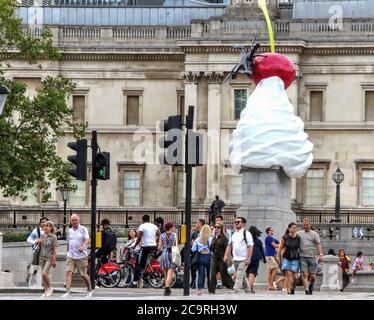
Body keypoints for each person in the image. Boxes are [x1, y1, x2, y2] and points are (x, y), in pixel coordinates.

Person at [61, 214, 93, 298]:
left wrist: (83, 246)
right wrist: (68, 252)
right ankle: (68, 292)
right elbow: (68, 242)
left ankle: (89, 289)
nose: (74, 222)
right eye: (73, 220)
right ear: (70, 222)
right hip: (71, 255)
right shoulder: (69, 231)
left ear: (79, 221)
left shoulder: (83, 229)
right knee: (68, 272)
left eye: (76, 220)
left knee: (83, 274)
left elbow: (87, 239)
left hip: (81, 255)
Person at [224, 217, 254, 294]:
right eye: (235, 222)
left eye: (238, 222)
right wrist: (227, 256)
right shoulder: (233, 234)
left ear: (243, 223)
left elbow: (250, 246)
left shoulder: (246, 233)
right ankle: (248, 291)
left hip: (244, 259)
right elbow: (229, 245)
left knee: (239, 275)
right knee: (243, 276)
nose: (236, 223)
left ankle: (235, 290)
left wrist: (249, 258)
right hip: (235, 259)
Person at [132, 215, 161, 288]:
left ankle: (136, 280)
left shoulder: (142, 226)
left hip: (145, 247)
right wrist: (155, 241)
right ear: (149, 219)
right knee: (148, 263)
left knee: (139, 263)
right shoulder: (154, 226)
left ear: (142, 219)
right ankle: (151, 278)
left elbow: (139, 237)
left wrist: (135, 245)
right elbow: (159, 235)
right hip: (153, 246)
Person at [297, 218, 324, 295]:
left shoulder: (315, 234)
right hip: (302, 256)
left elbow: (318, 245)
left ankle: (311, 286)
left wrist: (321, 255)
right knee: (305, 274)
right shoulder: (299, 233)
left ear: (310, 225)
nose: (305, 226)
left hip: (312, 257)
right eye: (304, 225)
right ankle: (306, 291)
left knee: (313, 276)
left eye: (307, 225)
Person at [208, 221, 234, 294]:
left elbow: (227, 248)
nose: (216, 228)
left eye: (218, 227)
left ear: (221, 228)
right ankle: (211, 291)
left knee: (223, 274)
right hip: (214, 258)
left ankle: (231, 285)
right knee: (212, 274)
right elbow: (211, 248)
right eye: (215, 227)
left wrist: (228, 257)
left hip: (222, 258)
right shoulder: (213, 238)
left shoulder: (224, 238)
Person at [277, 222, 300, 295]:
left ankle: (293, 288)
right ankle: (289, 291)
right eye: (293, 227)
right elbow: (280, 248)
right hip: (287, 257)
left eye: (295, 228)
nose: (294, 229)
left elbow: (300, 248)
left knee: (296, 277)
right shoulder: (285, 237)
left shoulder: (298, 237)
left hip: (295, 258)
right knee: (288, 275)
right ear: (289, 228)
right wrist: (278, 256)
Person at [26, 217, 49, 286]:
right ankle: (31, 278)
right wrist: (35, 241)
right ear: (40, 223)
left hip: (46, 252)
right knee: (35, 267)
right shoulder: (36, 231)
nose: (43, 223)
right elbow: (28, 239)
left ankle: (43, 283)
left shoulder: (49, 231)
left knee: (44, 268)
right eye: (42, 222)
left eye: (45, 222)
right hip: (37, 251)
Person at [157, 222, 178, 296]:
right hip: (172, 253)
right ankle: (166, 288)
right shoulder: (175, 235)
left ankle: (168, 289)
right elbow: (176, 245)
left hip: (164, 254)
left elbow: (159, 247)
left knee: (166, 273)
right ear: (171, 227)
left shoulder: (162, 235)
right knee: (170, 273)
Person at [191, 224, 212, 295]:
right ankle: (210, 289)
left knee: (201, 274)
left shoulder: (197, 239)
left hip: (201, 257)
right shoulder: (210, 239)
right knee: (210, 274)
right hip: (209, 257)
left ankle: (200, 290)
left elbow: (193, 249)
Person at [39, 221, 57, 297]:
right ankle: (45, 291)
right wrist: (39, 242)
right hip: (41, 257)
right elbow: (42, 247)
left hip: (49, 257)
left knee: (44, 273)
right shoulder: (42, 235)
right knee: (43, 275)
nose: (45, 227)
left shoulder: (53, 237)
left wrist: (54, 259)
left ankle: (49, 288)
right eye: (44, 226)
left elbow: (55, 249)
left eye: (47, 226)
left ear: (51, 228)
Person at [213, 215, 232, 289]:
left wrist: (229, 255)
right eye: (216, 220)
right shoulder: (214, 230)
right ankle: (219, 282)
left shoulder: (227, 232)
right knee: (217, 269)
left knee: (223, 269)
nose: (217, 222)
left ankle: (227, 282)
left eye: (219, 220)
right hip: (216, 252)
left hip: (224, 252)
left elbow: (229, 243)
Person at [246, 226, 266, 294]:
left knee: (247, 274)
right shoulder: (258, 241)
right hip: (255, 259)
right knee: (252, 274)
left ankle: (248, 288)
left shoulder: (246, 241)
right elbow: (262, 251)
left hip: (247, 258)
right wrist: (264, 259)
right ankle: (250, 289)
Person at [265, 226, 282, 291]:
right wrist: (281, 246)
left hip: (271, 256)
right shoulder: (268, 238)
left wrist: (282, 242)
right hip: (270, 256)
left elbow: (279, 241)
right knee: (275, 269)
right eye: (271, 230)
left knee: (270, 271)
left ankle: (270, 286)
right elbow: (274, 245)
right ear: (268, 231)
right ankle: (271, 284)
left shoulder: (272, 238)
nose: (273, 231)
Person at [190, 219, 205, 288]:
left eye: (197, 222)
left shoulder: (205, 232)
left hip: (202, 253)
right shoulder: (195, 233)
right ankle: (193, 281)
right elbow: (190, 240)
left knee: (201, 269)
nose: (196, 224)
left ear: (201, 223)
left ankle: (200, 283)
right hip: (195, 253)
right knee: (193, 267)